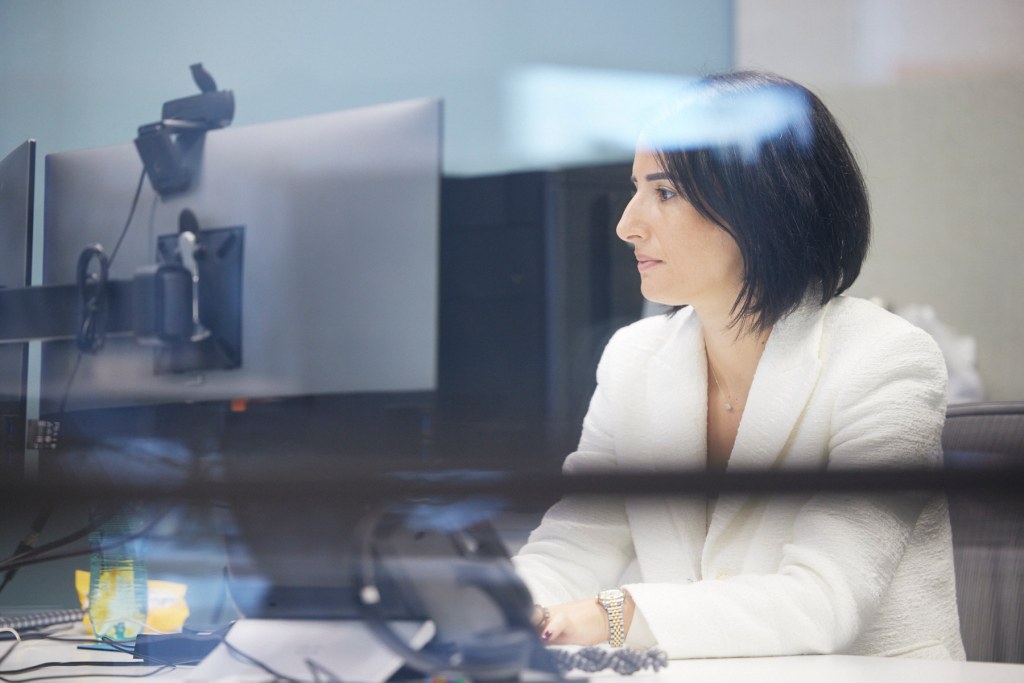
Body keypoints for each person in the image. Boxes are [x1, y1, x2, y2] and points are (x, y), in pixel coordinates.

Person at [511, 71, 965, 660]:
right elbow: (576, 542)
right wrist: (507, 603)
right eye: (634, 189)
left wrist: (612, 614)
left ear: (760, 210)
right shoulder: (633, 359)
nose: (627, 224)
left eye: (664, 192)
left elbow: (821, 601)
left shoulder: (885, 360)